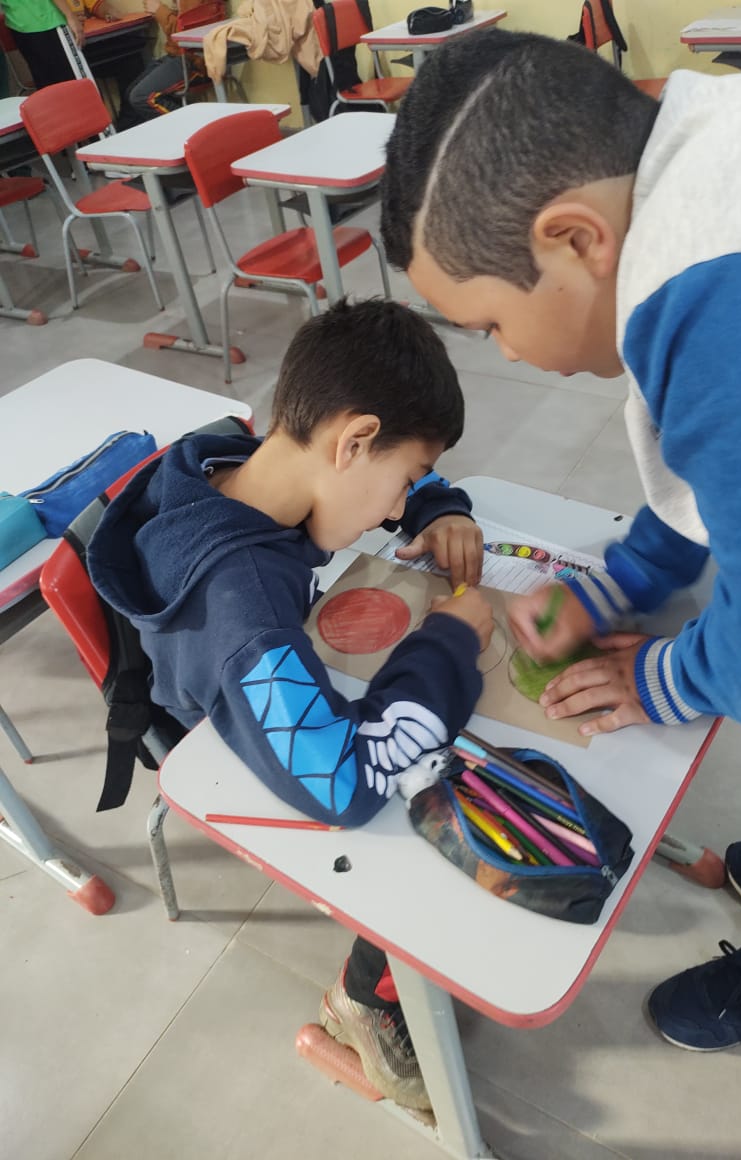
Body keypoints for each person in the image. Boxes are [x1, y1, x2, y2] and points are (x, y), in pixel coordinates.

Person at [378, 28, 741, 1052]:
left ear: (574, 240)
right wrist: (622, 580)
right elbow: (732, 462)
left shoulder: (729, 303)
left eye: (490, 324)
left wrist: (660, 680)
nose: (508, 354)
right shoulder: (696, 162)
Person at [88, 297, 494, 1108]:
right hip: (236, 744)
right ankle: (368, 999)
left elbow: (371, 474)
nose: (394, 510)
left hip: (259, 684)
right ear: (353, 441)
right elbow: (342, 786)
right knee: (443, 799)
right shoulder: (242, 613)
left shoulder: (229, 457)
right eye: (402, 483)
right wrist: (449, 643)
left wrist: (436, 505)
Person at [116, 0, 206, 128]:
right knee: (130, 94)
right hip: (176, 55)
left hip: (193, 59)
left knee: (140, 97)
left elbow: (186, 34)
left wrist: (160, 11)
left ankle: (195, 128)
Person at [0, 0, 82, 89]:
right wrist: (70, 16)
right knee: (73, 81)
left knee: (48, 84)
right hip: (47, 20)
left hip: (19, 23)